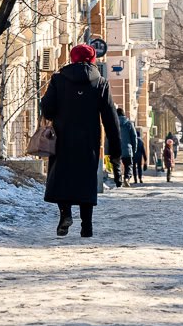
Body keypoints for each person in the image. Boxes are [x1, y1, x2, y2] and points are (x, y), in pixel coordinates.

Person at [40, 44, 122, 238]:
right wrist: (116, 150)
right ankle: (87, 226)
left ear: (72, 57)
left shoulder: (58, 79)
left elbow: (48, 109)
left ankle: (65, 215)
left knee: (62, 177)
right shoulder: (100, 82)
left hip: (63, 139)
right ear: (93, 59)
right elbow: (110, 119)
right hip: (89, 142)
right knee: (86, 181)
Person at [117, 107, 137, 187]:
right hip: (127, 148)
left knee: (117, 165)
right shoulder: (129, 123)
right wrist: (134, 148)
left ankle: (118, 180)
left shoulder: (113, 122)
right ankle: (126, 178)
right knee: (128, 165)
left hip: (116, 148)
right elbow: (134, 136)